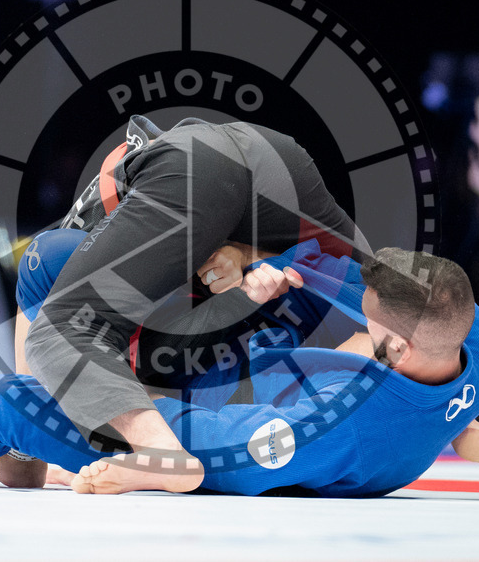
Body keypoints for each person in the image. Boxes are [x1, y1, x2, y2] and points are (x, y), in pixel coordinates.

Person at [0, 238, 479, 496]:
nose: (362, 321)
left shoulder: (337, 431)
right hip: (256, 373)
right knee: (55, 262)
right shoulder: (470, 341)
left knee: (7, 400)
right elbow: (383, 345)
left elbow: (215, 461)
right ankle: (27, 461)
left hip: (202, 427)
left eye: (373, 325)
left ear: (399, 348)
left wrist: (142, 444)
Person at [23, 116, 373, 492]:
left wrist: (26, 448)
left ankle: (158, 452)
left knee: (59, 326)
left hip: (201, 176)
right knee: (382, 290)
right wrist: (244, 256)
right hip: (267, 166)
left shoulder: (77, 242)